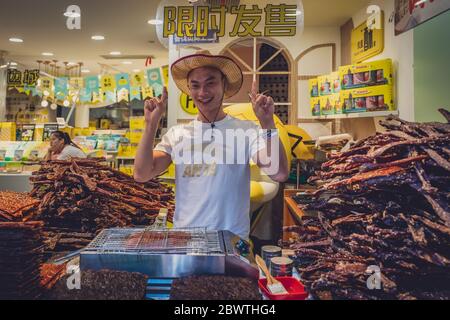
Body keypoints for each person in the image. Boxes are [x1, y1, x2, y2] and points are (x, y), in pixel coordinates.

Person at [134, 50, 289, 240]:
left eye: (211, 83)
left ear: (224, 84)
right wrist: (150, 125)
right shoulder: (177, 134)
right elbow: (142, 174)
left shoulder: (246, 130)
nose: (202, 92)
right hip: (185, 239)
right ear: (189, 90)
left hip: (231, 240)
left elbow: (279, 172)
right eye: (195, 85)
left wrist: (268, 123)